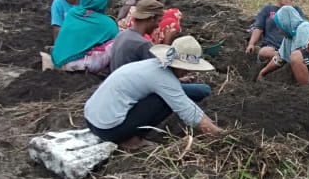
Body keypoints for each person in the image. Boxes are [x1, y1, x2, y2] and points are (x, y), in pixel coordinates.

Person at [84, 35, 223, 152]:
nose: (189, 71)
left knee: (201, 90)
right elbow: (190, 113)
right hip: (109, 130)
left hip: (92, 119)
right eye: (186, 68)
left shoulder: (152, 65)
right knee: (162, 100)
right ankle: (131, 140)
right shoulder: (164, 80)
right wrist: (218, 134)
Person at [43, 0, 118, 73]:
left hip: (59, 59)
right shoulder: (107, 22)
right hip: (80, 65)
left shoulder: (73, 12)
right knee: (116, 42)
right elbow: (116, 36)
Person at [246, 0, 304, 64]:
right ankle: (282, 58)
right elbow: (258, 28)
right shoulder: (268, 9)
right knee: (264, 52)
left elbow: (301, 27)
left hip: (290, 47)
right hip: (270, 46)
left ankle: (283, 58)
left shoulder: (296, 10)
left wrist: (289, 8)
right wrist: (251, 43)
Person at [118, 0, 182, 45]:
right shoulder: (134, 14)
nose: (155, 2)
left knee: (174, 13)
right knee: (171, 23)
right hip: (146, 40)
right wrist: (167, 42)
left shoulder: (140, 9)